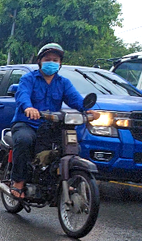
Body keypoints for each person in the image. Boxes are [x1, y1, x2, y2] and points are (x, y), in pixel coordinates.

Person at [10, 43, 99, 199]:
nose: (51, 62)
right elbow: (22, 95)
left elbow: (76, 99)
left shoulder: (63, 83)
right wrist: (29, 108)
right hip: (27, 124)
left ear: (60, 63)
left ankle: (64, 179)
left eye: (55, 59)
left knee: (72, 146)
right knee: (24, 141)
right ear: (40, 61)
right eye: (48, 59)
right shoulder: (28, 79)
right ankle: (18, 181)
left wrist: (87, 110)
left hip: (51, 126)